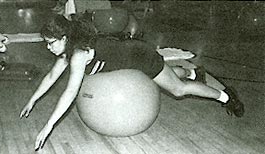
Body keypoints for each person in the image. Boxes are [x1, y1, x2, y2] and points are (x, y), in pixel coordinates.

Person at [19, 14, 244, 150]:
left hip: (140, 57)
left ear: (65, 38)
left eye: (50, 43)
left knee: (177, 90)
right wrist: (32, 100)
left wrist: (48, 126)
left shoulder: (78, 54)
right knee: (165, 79)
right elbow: (50, 77)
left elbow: (69, 92)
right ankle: (192, 73)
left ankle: (226, 96)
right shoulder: (67, 52)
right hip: (126, 61)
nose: (48, 48)